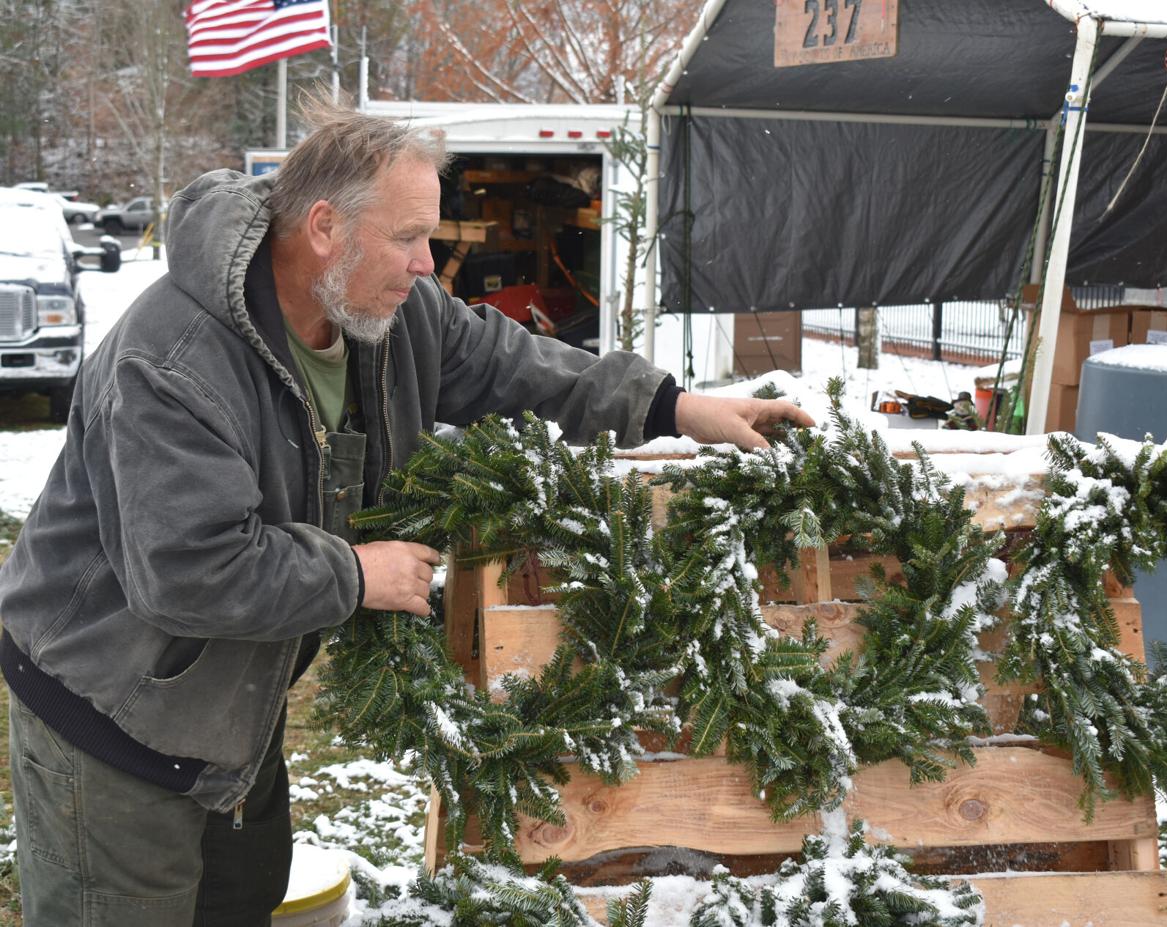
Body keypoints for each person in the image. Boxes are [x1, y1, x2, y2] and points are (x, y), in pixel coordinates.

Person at [0, 103, 813, 927]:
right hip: (111, 717)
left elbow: (513, 364)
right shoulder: (171, 362)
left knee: (240, 900)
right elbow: (188, 569)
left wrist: (677, 406)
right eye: (408, 236)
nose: (429, 263)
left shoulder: (383, 315)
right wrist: (357, 573)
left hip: (229, 712)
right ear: (324, 226)